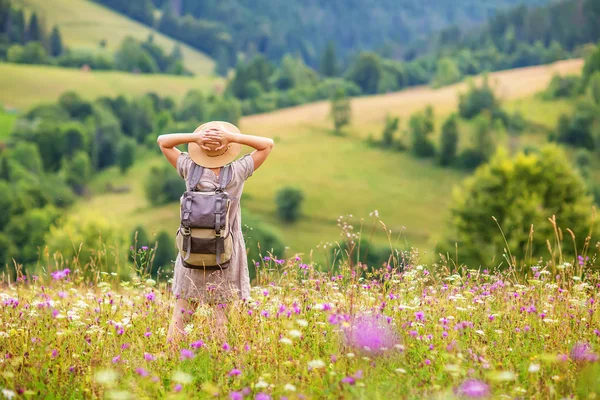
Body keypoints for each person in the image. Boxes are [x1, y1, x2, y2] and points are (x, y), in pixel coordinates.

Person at [157, 121, 274, 342]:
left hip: (192, 253)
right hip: (225, 255)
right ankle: (221, 365)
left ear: (199, 150)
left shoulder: (189, 169)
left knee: (181, 315)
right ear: (228, 149)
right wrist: (232, 137)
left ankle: (172, 363)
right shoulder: (237, 172)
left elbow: (163, 141)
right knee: (221, 316)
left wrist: (195, 138)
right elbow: (267, 145)